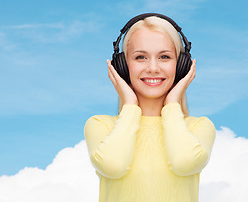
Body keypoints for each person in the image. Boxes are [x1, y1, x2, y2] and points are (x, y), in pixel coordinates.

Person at [84, 13, 216, 202]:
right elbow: (113, 165)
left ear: (181, 66)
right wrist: (130, 105)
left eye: (164, 57)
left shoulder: (198, 127)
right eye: (140, 57)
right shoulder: (100, 125)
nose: (153, 68)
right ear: (122, 66)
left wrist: (172, 105)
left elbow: (184, 162)